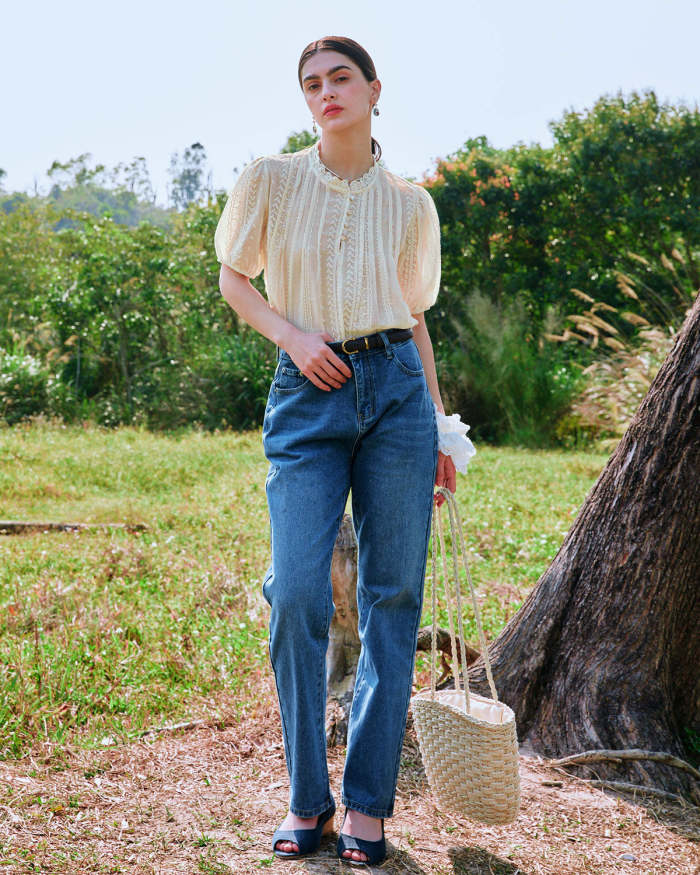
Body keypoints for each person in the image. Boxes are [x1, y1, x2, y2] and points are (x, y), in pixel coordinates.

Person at [214, 35, 474, 867]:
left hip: (396, 390)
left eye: (340, 80)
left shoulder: (410, 202)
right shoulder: (273, 179)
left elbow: (415, 312)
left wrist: (437, 424)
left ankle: (366, 804)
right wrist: (291, 337)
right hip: (308, 393)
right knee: (295, 592)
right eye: (312, 84)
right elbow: (234, 277)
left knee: (392, 597)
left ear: (373, 90)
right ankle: (305, 797)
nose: (326, 93)